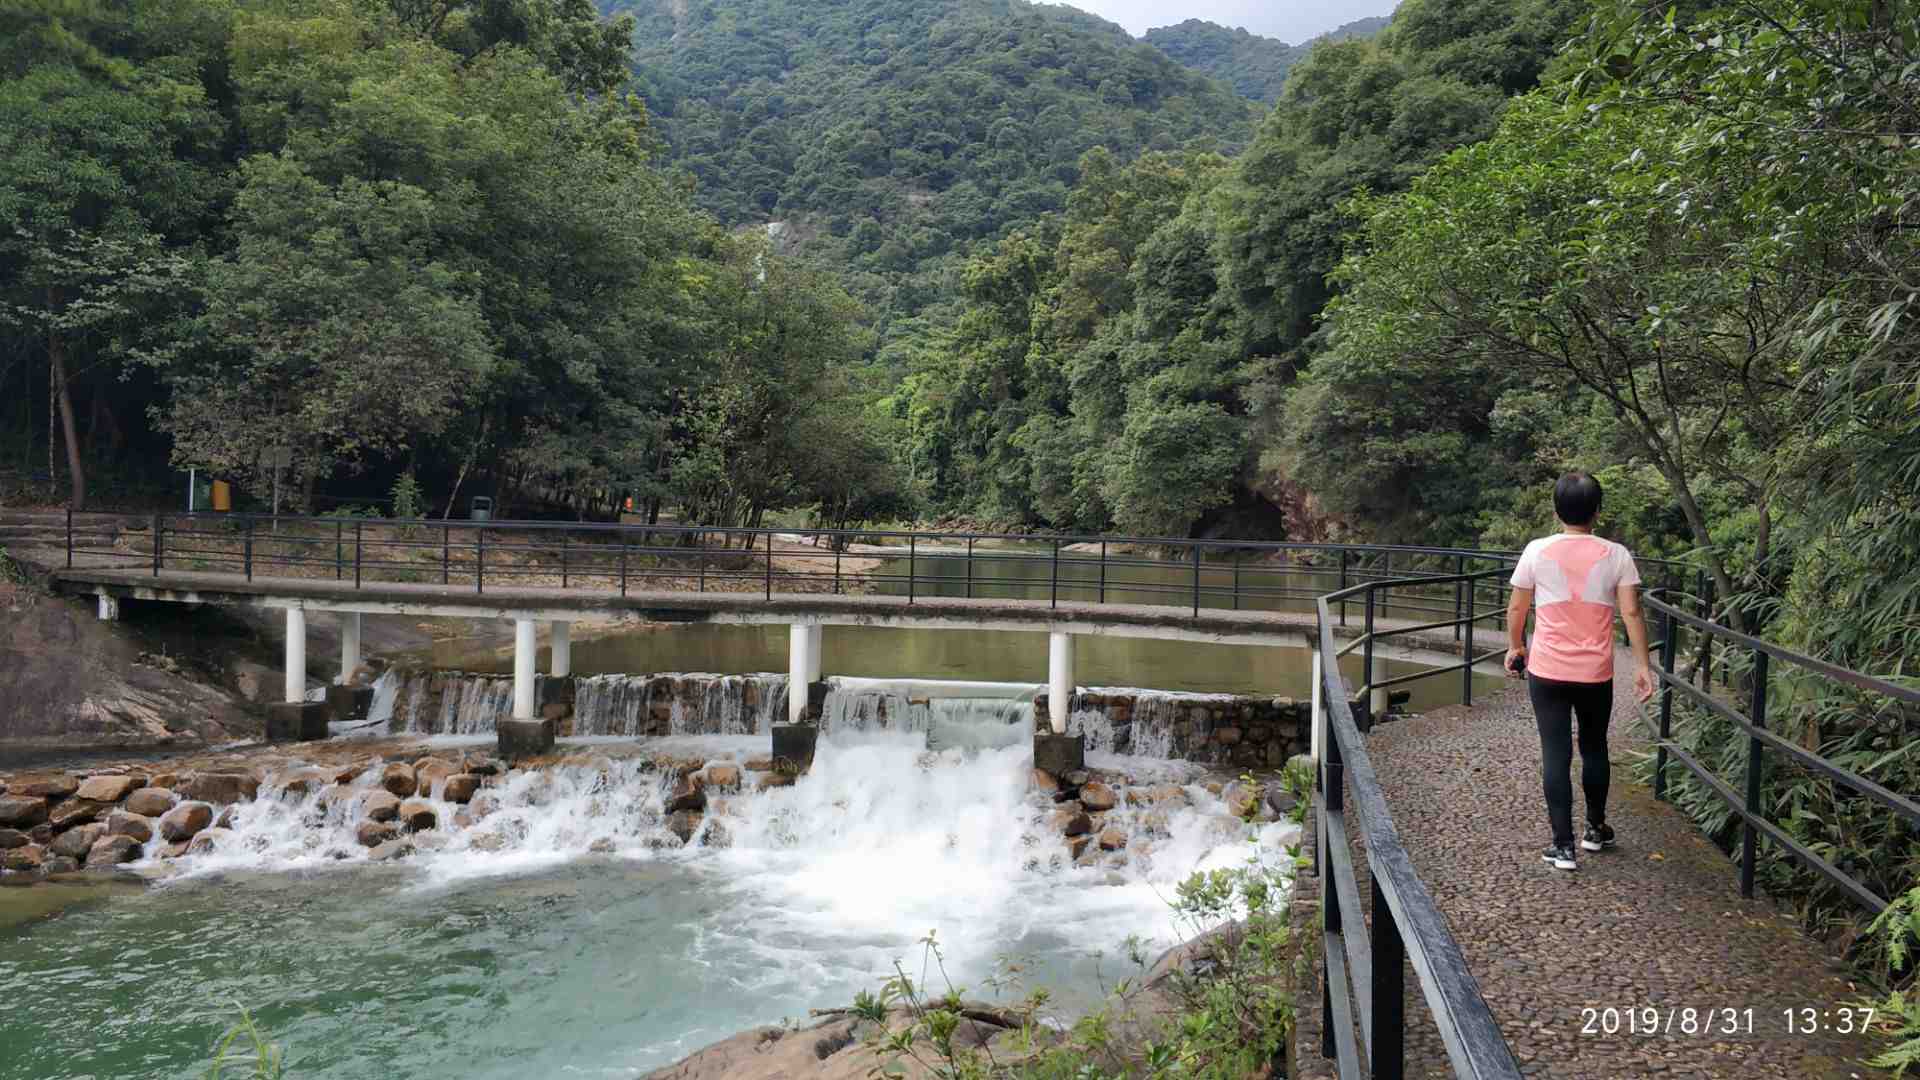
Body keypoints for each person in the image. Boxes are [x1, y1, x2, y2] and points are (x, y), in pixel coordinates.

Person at [1504, 472, 1656, 872]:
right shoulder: (1617, 554)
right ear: (1598, 511)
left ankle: (1562, 845)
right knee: (1593, 748)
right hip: (1595, 673)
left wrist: (1516, 646)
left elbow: (1518, 608)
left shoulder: (1537, 550)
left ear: (1556, 511)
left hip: (1547, 669)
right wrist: (1643, 665)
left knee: (1555, 752)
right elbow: (1632, 613)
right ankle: (1595, 829)